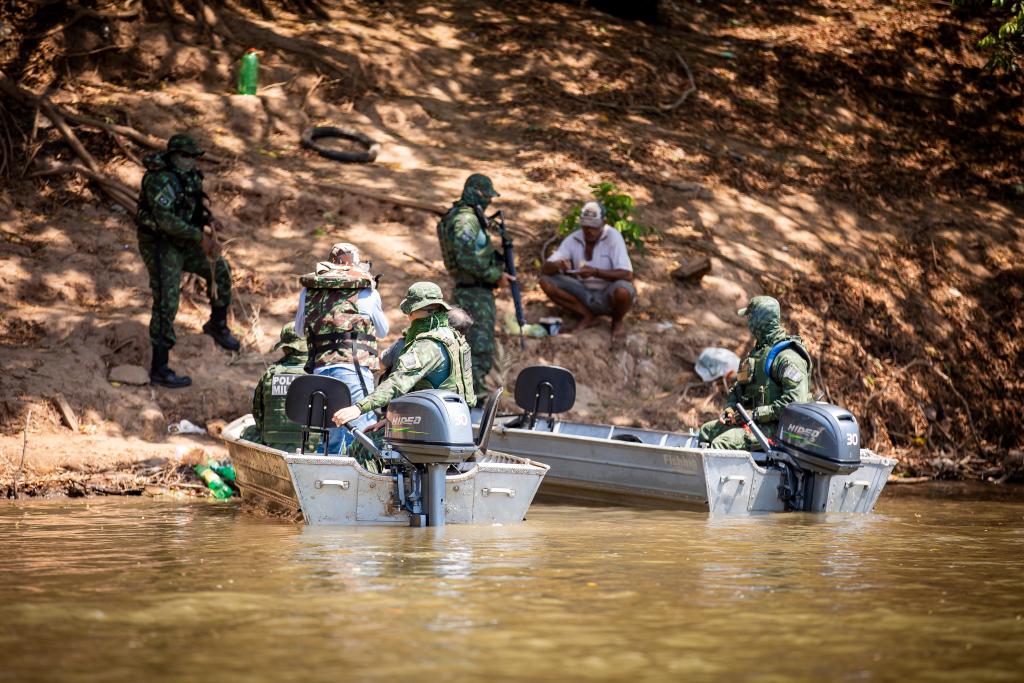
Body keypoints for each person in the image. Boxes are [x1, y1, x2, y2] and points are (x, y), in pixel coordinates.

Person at [136, 133, 240, 388]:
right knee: (167, 301)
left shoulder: (190, 175)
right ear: (173, 155)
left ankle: (217, 325)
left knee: (220, 270)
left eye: (193, 157)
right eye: (185, 156)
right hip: (161, 244)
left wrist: (207, 222)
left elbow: (191, 206)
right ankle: (159, 368)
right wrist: (199, 236)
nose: (190, 161)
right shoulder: (159, 179)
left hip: (185, 241)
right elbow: (165, 220)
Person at [331, 282, 476, 428]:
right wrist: (389, 422)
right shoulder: (451, 335)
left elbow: (397, 382)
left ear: (413, 311)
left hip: (434, 426)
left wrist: (359, 407)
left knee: (360, 447)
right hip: (453, 421)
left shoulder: (428, 344)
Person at [296, 244, 387, 454]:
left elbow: (300, 330)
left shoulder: (309, 290)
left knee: (330, 438)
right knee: (361, 432)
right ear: (354, 264)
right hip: (353, 371)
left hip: (319, 373)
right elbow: (383, 331)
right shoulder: (366, 289)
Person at [436, 173, 515, 400]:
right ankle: (473, 398)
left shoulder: (464, 216)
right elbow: (466, 257)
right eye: (487, 197)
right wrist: (494, 275)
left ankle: (469, 395)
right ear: (478, 194)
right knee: (478, 349)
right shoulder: (465, 219)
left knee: (471, 346)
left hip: (472, 291)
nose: (489, 201)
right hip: (474, 295)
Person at [697, 296, 813, 450]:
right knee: (706, 431)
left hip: (778, 429)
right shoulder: (758, 353)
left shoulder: (787, 357)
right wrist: (730, 409)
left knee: (723, 443)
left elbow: (795, 404)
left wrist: (756, 414)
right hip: (752, 422)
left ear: (760, 320)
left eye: (750, 317)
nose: (748, 322)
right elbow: (738, 388)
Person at [540, 201, 636, 343]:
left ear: (603, 223)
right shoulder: (573, 238)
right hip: (583, 292)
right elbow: (545, 269)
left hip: (607, 293)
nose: (589, 231)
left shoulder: (613, 237)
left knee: (623, 290)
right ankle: (587, 316)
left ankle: (617, 321)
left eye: (594, 227)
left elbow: (627, 274)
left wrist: (595, 272)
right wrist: (557, 265)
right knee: (546, 281)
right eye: (586, 226)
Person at [246, 322, 314, 451]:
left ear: (286, 347)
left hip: (273, 448)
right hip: (312, 449)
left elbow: (258, 414)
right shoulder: (320, 372)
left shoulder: (271, 374)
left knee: (248, 432)